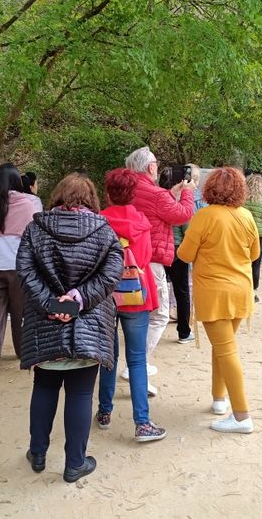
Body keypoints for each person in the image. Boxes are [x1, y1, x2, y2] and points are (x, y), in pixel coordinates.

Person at [18, 173, 124, 482]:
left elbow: (24, 270)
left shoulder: (36, 228)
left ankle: (37, 452)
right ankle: (74, 462)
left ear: (58, 196)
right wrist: (77, 300)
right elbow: (112, 272)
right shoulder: (104, 231)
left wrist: (54, 303)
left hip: (46, 322)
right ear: (91, 199)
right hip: (89, 324)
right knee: (79, 393)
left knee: (44, 386)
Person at [176, 167, 259, 433]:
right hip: (240, 291)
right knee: (224, 348)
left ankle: (242, 415)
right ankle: (219, 399)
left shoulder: (204, 216)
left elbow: (185, 254)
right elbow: (254, 252)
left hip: (214, 293)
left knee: (226, 350)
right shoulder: (245, 216)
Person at [97, 169, 167, 441]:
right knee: (137, 359)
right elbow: (147, 256)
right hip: (136, 294)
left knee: (108, 356)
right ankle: (142, 422)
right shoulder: (142, 223)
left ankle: (104, 411)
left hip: (105, 294)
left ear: (107, 193)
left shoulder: (100, 222)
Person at [125, 147, 194, 375]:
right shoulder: (155, 194)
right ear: (150, 167)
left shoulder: (127, 188)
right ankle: (137, 363)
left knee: (133, 311)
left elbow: (159, 206)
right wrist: (187, 192)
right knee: (159, 313)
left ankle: (133, 362)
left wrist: (172, 193)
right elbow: (182, 214)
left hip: (126, 257)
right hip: (151, 259)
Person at [0, 163, 42, 372]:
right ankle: (23, 352)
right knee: (20, 311)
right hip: (18, 267)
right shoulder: (27, 204)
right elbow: (34, 237)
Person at [164, 164, 202, 345]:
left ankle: (154, 322)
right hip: (177, 251)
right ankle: (184, 331)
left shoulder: (162, 197)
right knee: (182, 291)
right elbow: (188, 229)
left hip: (160, 248)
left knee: (159, 287)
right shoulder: (183, 202)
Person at [243, 174, 262, 299]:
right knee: (255, 262)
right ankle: (253, 291)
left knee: (242, 260)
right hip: (258, 233)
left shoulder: (242, 199)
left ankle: (242, 288)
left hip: (243, 232)